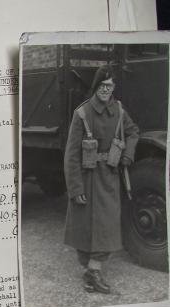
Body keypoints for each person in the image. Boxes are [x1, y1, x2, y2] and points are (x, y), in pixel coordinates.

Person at [63, 65, 139, 294]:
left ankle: (93, 272)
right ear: (96, 87)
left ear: (114, 87)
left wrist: (127, 154)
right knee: (83, 228)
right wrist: (75, 188)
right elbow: (71, 154)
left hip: (108, 177)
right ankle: (89, 272)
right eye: (102, 86)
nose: (106, 90)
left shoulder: (119, 110)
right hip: (85, 178)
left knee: (106, 226)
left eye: (110, 86)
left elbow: (134, 131)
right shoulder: (82, 113)